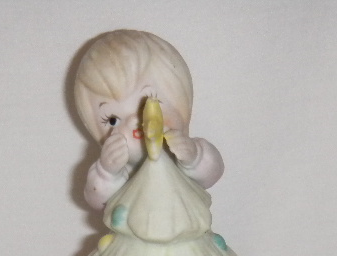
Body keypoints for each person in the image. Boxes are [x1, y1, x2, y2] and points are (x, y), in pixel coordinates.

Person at [73, 30, 224, 209]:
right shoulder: (123, 172)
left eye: (147, 106)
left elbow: (213, 173)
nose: (134, 122)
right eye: (113, 120)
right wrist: (107, 173)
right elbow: (97, 201)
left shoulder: (181, 154)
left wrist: (194, 157)